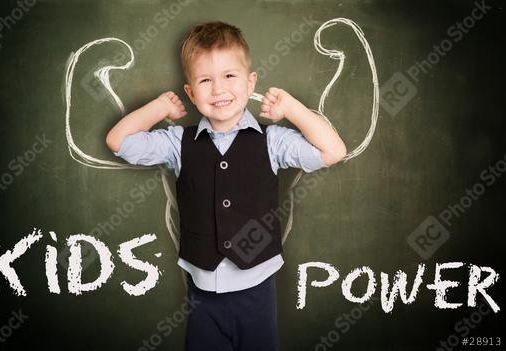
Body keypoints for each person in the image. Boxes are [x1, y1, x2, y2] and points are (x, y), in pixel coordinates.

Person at [106, 21, 346, 351]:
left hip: (257, 287)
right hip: (202, 291)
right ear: (191, 92)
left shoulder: (271, 141)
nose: (218, 90)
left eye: (229, 76)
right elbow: (119, 142)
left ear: (251, 83)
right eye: (205, 80)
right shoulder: (179, 143)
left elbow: (333, 151)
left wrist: (291, 108)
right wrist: (159, 108)